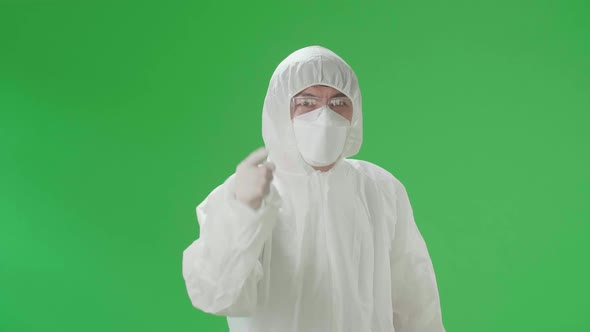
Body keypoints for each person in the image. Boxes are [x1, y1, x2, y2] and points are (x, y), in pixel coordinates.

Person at [182, 45, 446, 332]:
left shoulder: (380, 189)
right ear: (280, 110)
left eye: (337, 103)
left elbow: (415, 301)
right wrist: (242, 213)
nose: (324, 116)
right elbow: (217, 295)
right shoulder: (248, 194)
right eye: (307, 103)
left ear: (354, 111)